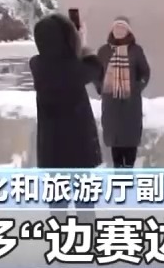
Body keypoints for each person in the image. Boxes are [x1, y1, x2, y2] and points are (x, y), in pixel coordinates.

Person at [29, 13, 105, 217]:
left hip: (52, 152)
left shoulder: (37, 64)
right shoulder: (72, 69)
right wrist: (83, 43)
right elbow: (95, 68)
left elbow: (70, 63)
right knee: (85, 208)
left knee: (57, 209)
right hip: (78, 152)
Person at [93, 16, 151, 168]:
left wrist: (136, 87)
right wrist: (101, 88)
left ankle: (129, 170)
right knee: (115, 140)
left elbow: (145, 72)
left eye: (122, 28)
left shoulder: (136, 50)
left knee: (130, 139)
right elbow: (96, 72)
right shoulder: (104, 51)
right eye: (116, 28)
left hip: (130, 103)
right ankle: (118, 173)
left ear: (128, 31)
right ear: (112, 30)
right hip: (111, 103)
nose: (119, 31)